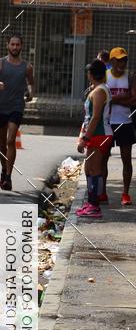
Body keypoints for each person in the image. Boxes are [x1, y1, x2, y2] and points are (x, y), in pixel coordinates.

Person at [0, 33, 35, 191]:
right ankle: (4, 169)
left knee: (11, 140)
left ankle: (8, 177)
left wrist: (30, 93)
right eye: (12, 44)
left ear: (21, 46)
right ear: (8, 46)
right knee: (1, 144)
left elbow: (31, 83)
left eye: (17, 45)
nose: (15, 47)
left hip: (16, 107)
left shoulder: (27, 67)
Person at [76, 59, 113, 219]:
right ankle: (91, 202)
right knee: (89, 169)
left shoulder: (99, 92)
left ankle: (95, 206)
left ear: (91, 74)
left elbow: (96, 117)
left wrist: (85, 137)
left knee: (95, 169)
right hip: (95, 134)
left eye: (88, 72)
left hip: (100, 134)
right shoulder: (97, 89)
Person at [102, 46, 136, 206]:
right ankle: (102, 193)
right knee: (103, 159)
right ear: (112, 61)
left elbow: (134, 100)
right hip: (108, 122)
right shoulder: (105, 76)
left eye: (124, 60)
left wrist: (113, 100)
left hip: (125, 122)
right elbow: (101, 99)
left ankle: (125, 194)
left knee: (126, 160)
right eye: (118, 60)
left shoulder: (130, 76)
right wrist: (124, 97)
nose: (122, 63)